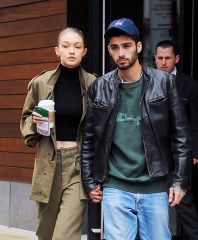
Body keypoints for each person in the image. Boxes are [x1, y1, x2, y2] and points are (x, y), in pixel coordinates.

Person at [81, 18, 192, 240]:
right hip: (116, 186)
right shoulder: (99, 87)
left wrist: (180, 181)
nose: (121, 52)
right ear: (109, 51)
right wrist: (89, 181)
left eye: (126, 45)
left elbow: (181, 135)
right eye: (114, 47)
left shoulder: (163, 83)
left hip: (155, 186)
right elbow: (89, 139)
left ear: (138, 47)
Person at [20, 27, 96, 240]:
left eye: (77, 46)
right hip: (48, 163)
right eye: (66, 46)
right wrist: (34, 123)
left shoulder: (94, 84)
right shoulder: (40, 83)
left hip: (78, 164)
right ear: (57, 51)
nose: (71, 51)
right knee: (46, 233)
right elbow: (26, 122)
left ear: (84, 51)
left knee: (65, 234)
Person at [155, 40, 198, 240]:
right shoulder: (147, 81)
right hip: (154, 150)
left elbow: (196, 119)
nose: (164, 62)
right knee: (152, 198)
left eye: (168, 58)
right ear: (155, 59)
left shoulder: (189, 85)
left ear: (176, 59)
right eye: (160, 58)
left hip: (179, 151)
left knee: (183, 198)